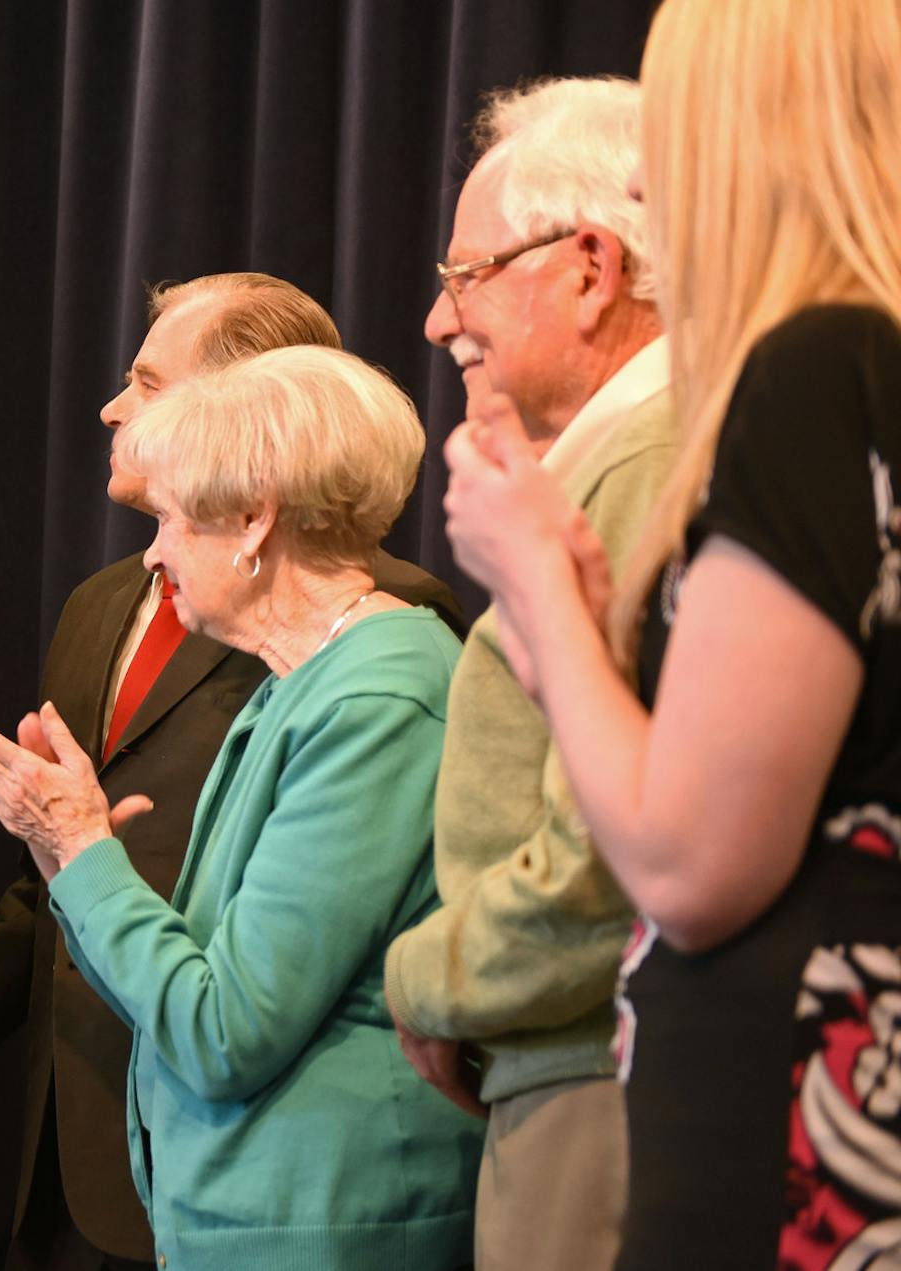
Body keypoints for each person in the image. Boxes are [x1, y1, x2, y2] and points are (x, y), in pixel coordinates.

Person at [441, 0, 901, 1263]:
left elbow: (693, 865)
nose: (648, 186)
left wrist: (532, 577)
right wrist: (575, 638)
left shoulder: (819, 365)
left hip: (805, 1116)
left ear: (759, 141)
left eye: (677, 135)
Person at [0, 272, 459, 1269]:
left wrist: (78, 844)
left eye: (174, 518)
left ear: (254, 518)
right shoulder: (301, 679)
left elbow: (225, 1026)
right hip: (217, 1199)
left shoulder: (378, 689)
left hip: (321, 1217)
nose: (153, 553)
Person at [383, 76, 675, 1269]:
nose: (441, 320)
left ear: (589, 266)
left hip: (594, 1076)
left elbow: (619, 847)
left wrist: (426, 979)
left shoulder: (647, 457)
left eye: (467, 274)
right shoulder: (616, 457)